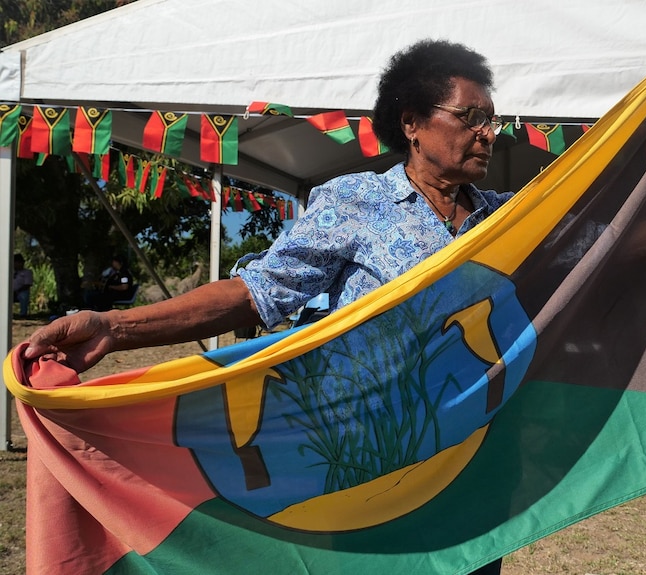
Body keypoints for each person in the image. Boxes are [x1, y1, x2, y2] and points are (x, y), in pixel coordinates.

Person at [25, 39, 509, 575]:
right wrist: (116, 326)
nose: (488, 133)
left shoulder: (508, 219)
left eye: (492, 119)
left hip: (470, 461)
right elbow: (257, 292)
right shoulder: (356, 202)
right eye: (470, 117)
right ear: (413, 123)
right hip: (372, 463)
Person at [12, 253, 34, 318]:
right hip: (9, 292)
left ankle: (23, 314)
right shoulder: (10, 272)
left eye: (19, 262)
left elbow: (28, 284)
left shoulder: (27, 272)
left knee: (24, 295)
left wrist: (17, 291)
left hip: (20, 292)